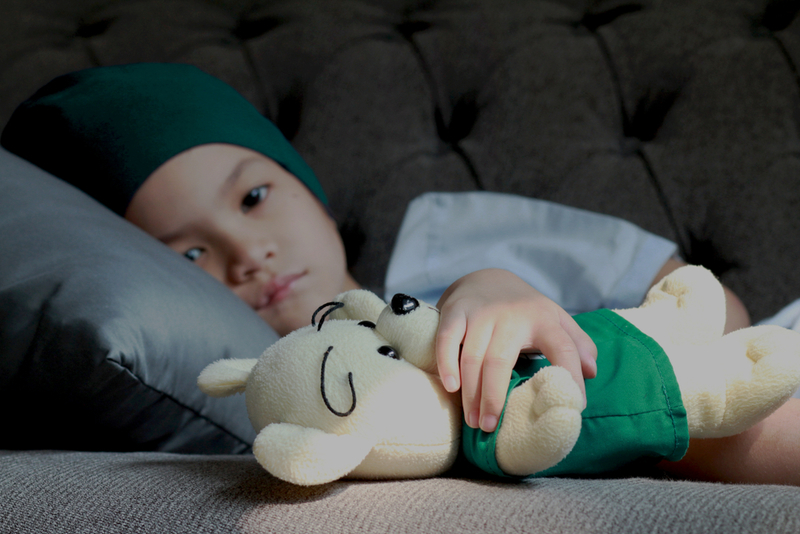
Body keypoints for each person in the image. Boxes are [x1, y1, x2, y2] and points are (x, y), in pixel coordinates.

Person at [2, 63, 796, 485]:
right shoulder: (306, 401)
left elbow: (722, 314)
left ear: (306, 189)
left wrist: (492, 285)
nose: (249, 255)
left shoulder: (449, 234)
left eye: (254, 196)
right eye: (187, 255)